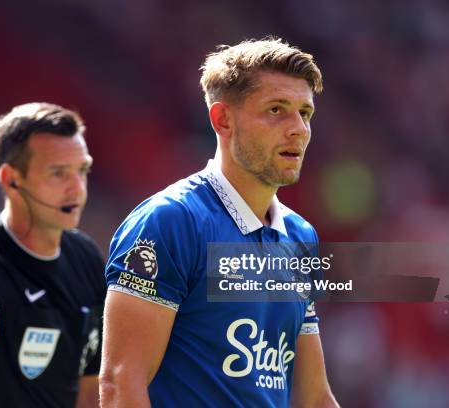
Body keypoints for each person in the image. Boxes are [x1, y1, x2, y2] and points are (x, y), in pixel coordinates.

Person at [100, 38, 340, 407]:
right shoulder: (170, 222)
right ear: (222, 119)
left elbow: (314, 398)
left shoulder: (300, 236)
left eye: (304, 113)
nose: (298, 129)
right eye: (277, 110)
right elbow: (120, 383)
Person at [0, 102, 105, 408]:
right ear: (11, 180)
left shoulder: (86, 258)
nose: (77, 188)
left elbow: (90, 386)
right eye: (58, 174)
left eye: (82, 171)